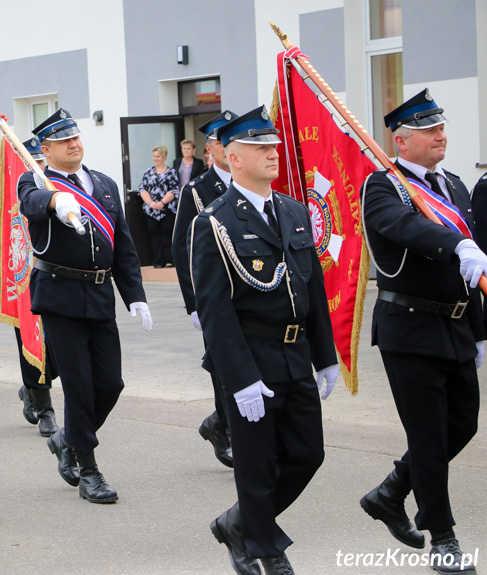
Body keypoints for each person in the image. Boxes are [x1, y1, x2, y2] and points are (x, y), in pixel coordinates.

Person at [191, 106, 338, 575]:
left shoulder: (294, 211)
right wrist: (240, 378)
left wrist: (325, 356)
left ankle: (239, 523)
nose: (273, 153)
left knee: (307, 454)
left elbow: (312, 286)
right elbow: (215, 310)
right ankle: (263, 549)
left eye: (273, 145)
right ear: (234, 158)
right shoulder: (214, 222)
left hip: (296, 354)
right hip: (251, 358)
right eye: (260, 147)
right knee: (255, 465)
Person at [359, 89, 483, 574]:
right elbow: (407, 230)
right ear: (401, 141)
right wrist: (457, 244)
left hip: (454, 325)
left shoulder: (453, 184)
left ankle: (390, 492)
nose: (441, 137)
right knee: (429, 437)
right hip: (408, 328)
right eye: (430, 131)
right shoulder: (382, 186)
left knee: (463, 425)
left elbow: (473, 264)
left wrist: (477, 329)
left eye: (441, 129)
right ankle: (443, 537)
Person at [17, 108, 152, 504]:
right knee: (77, 386)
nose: (73, 145)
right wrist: (56, 200)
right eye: (63, 141)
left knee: (111, 382)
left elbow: (123, 248)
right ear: (45, 149)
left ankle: (68, 440)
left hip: (99, 296)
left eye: (75, 138)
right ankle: (88, 468)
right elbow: (30, 200)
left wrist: (136, 296)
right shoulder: (37, 180)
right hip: (59, 295)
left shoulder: (105, 185)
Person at [172, 111, 239, 468]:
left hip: (253, 294)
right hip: (216, 296)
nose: (229, 147)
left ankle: (219, 422)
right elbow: (182, 249)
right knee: (223, 367)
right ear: (210, 148)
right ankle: (225, 428)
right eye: (221, 141)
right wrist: (194, 302)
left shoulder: (253, 182)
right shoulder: (197, 190)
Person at [0, 136, 59, 436]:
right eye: (30, 163)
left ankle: (30, 389)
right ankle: (45, 409)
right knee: (30, 340)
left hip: (56, 280)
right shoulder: (2, 199)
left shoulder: (58, 192)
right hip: (22, 282)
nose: (37, 168)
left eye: (39, 162)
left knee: (55, 347)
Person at [138, 145, 179, 268]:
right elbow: (142, 189)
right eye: (154, 156)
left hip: (167, 208)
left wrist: (162, 203)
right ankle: (158, 261)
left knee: (167, 233)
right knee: (154, 235)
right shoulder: (148, 172)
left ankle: (170, 259)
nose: (155, 159)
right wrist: (151, 203)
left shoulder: (171, 172)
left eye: (158, 156)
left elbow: (175, 189)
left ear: (164, 157)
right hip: (151, 210)